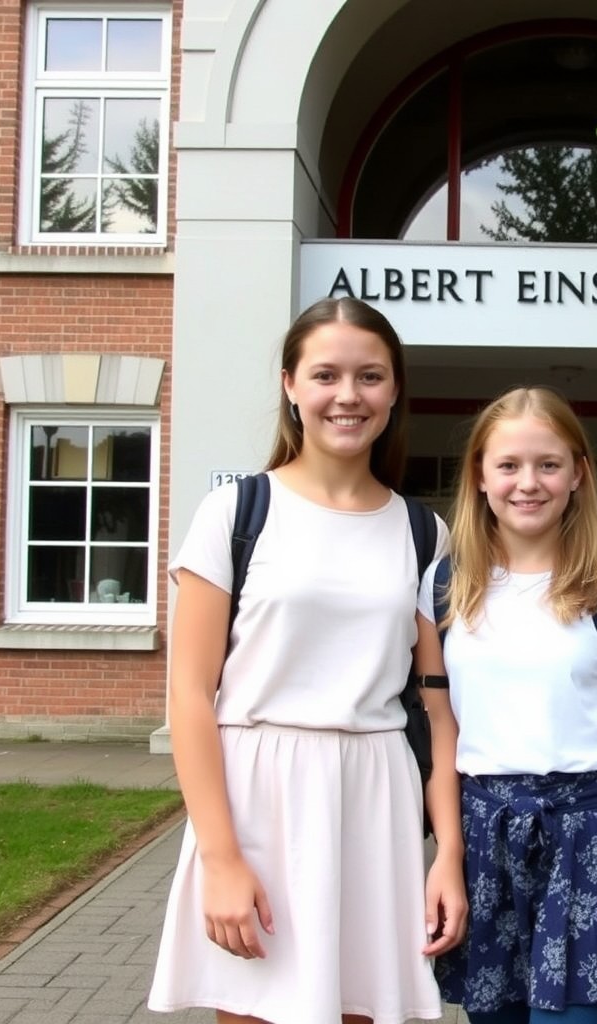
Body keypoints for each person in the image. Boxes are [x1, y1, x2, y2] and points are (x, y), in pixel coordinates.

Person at [148, 296, 467, 1024]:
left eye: (370, 377)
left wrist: (447, 852)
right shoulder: (235, 515)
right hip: (258, 795)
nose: (348, 396)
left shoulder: (426, 534)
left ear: (394, 391)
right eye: (325, 375)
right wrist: (221, 859)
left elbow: (441, 711)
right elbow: (191, 698)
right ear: (291, 384)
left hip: (375, 796)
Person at [413, 386, 597, 1024]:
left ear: (577, 473)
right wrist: (447, 856)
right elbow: (441, 734)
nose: (527, 483)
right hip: (485, 834)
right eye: (508, 465)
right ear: (480, 475)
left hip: (591, 834)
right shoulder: (444, 586)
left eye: (548, 464)